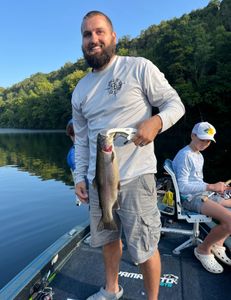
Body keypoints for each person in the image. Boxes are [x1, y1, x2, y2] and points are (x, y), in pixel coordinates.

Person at [72, 11, 185, 300]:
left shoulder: (139, 68)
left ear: (113, 37)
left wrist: (156, 122)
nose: (93, 39)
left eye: (99, 32)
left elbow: (175, 104)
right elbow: (83, 140)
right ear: (82, 41)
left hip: (137, 176)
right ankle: (111, 290)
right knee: (108, 238)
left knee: (145, 246)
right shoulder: (80, 90)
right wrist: (79, 177)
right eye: (87, 34)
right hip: (99, 180)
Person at [172, 121, 231, 274]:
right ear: (193, 135)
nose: (205, 143)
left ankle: (218, 243)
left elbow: (198, 181)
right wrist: (211, 186)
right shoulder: (185, 155)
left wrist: (219, 189)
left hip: (203, 195)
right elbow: (183, 187)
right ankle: (203, 249)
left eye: (208, 141)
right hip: (191, 198)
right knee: (229, 220)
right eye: (202, 139)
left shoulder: (198, 156)